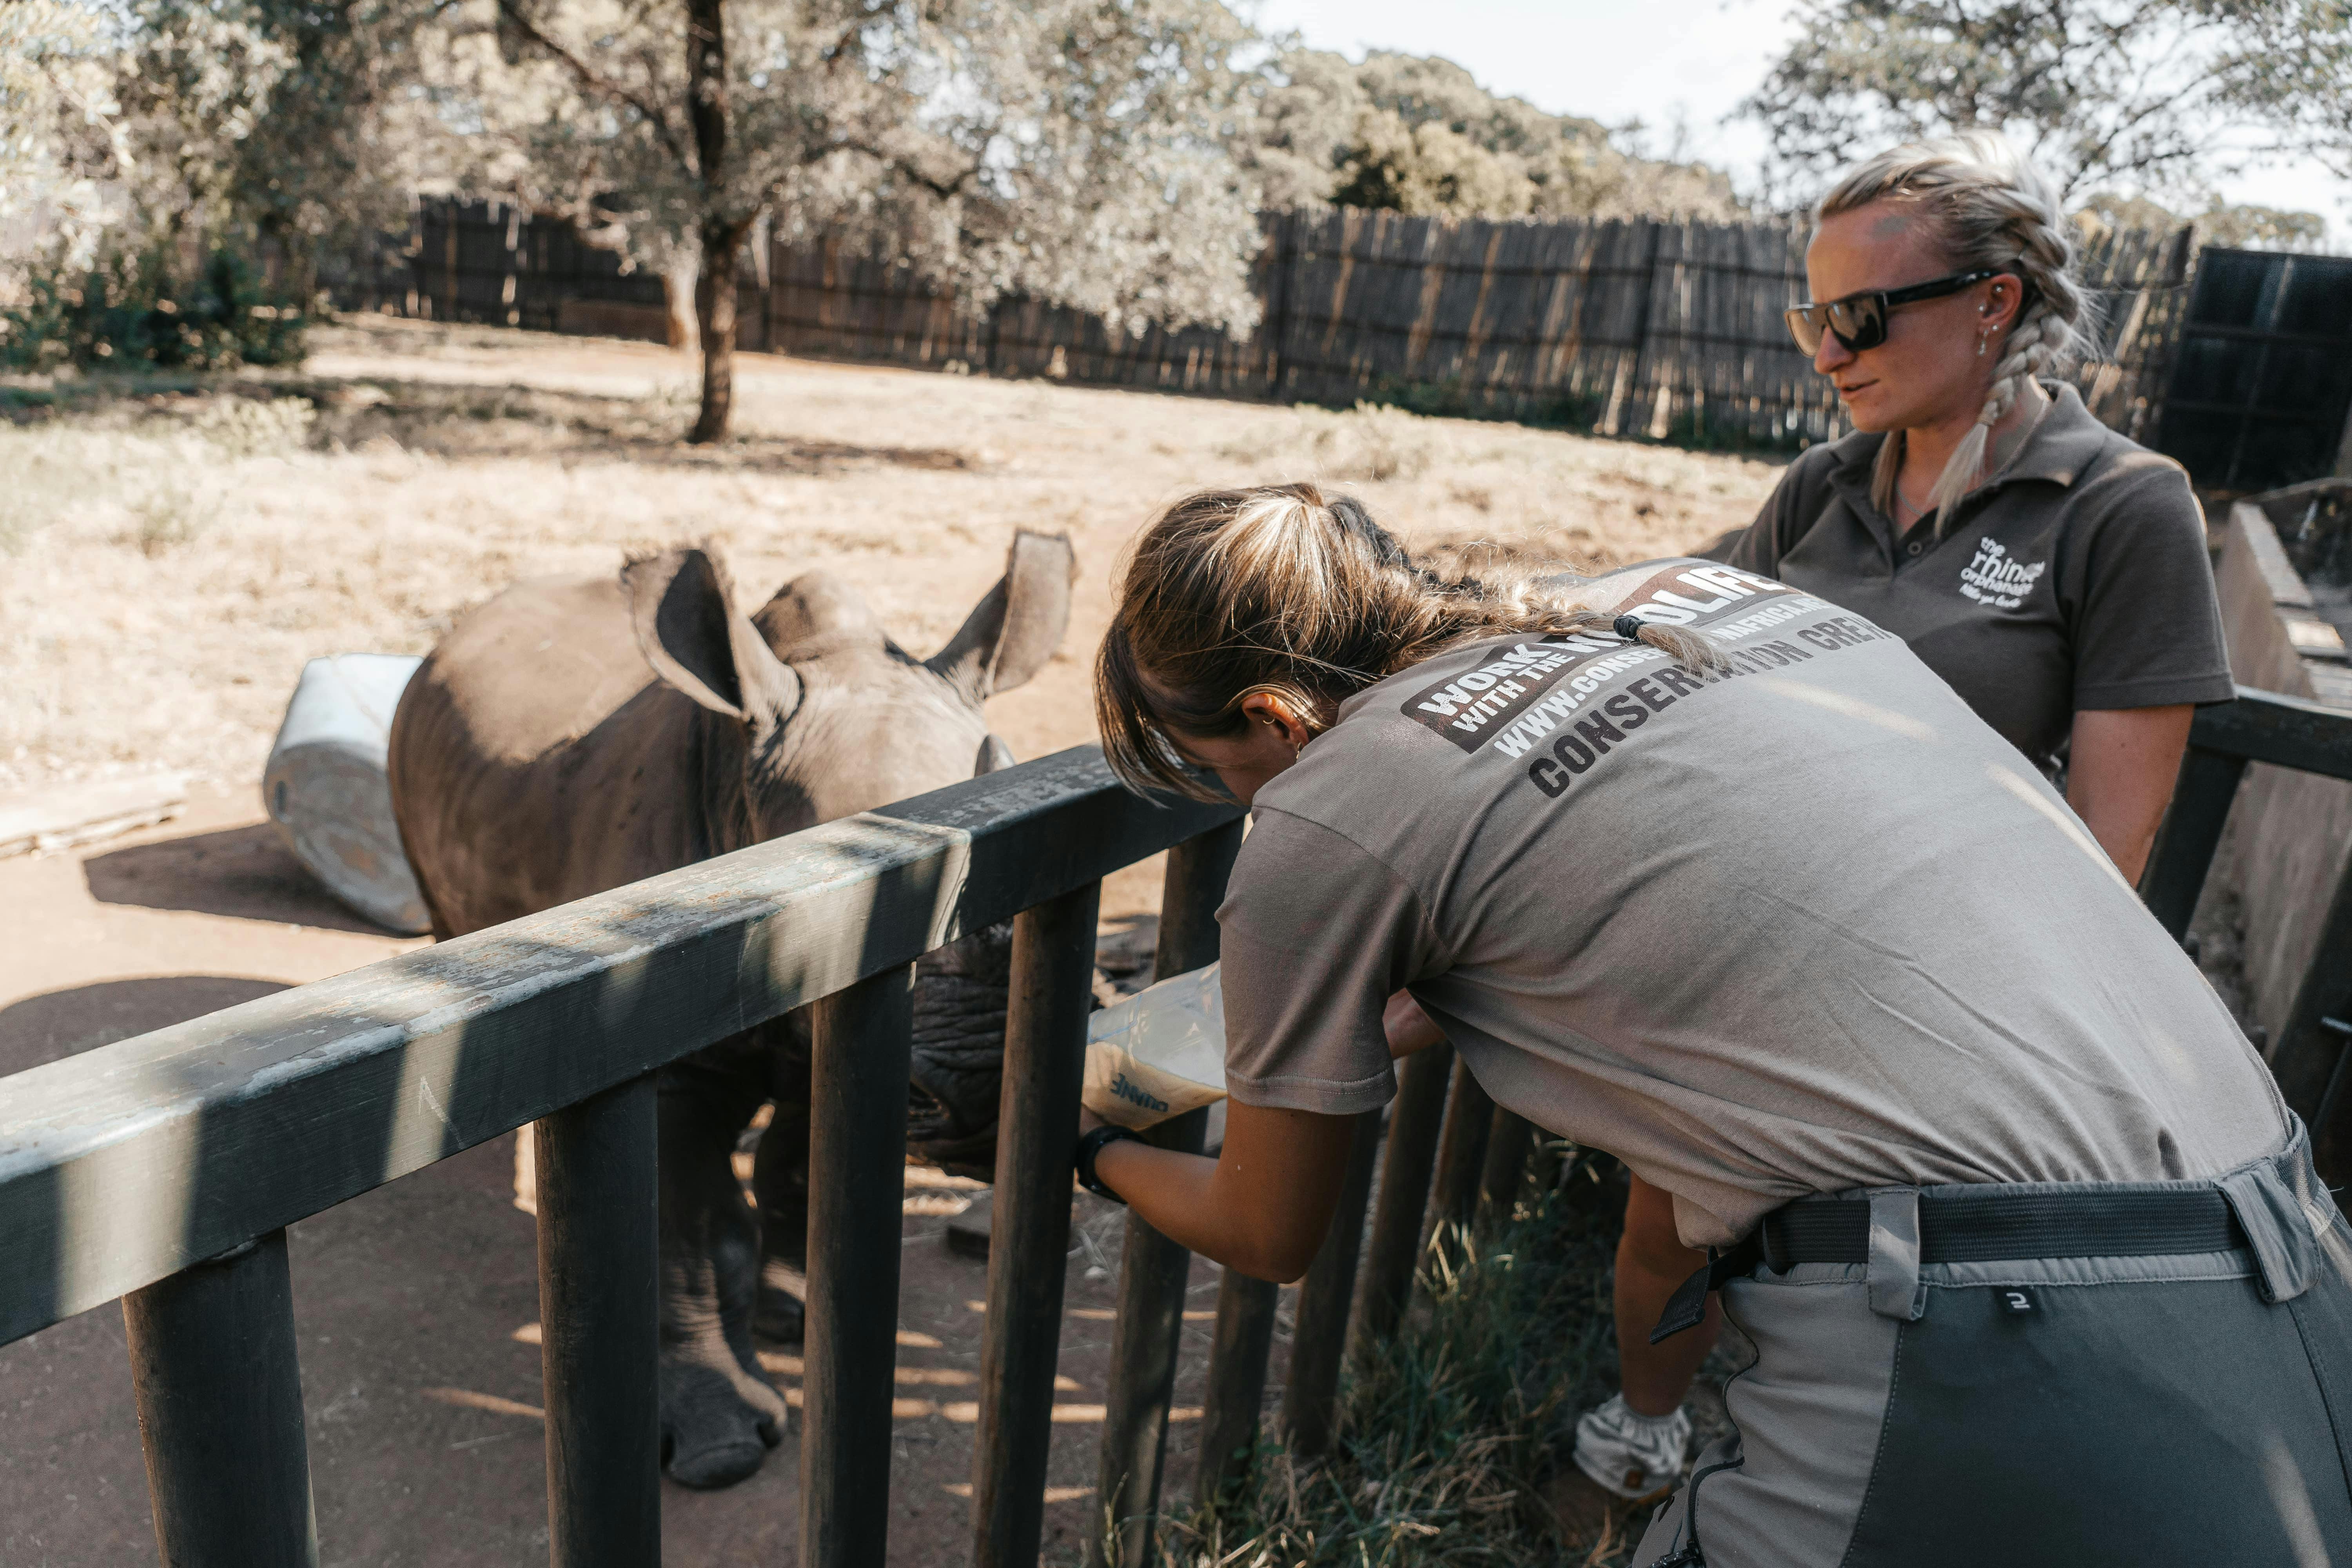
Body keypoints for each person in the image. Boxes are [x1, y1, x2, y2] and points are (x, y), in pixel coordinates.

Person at [1075, 481, 2350, 1567]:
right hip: (2295, 1254)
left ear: (1275, 720)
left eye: (1219, 776)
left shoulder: (1329, 806)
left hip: (2007, 1326)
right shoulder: (1695, 599)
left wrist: (1090, 1147)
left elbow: (1270, 1230)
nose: (1243, 803)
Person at [1576, 130, 2243, 1504]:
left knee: (1870, 1278)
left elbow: (2108, 851)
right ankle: (1650, 1426)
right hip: (1756, 939)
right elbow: (1673, 659)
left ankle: (1826, 1490)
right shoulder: (1820, 490)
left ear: (1994, 302)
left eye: (1864, 316)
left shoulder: (2121, 508)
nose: (1828, 352)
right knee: (1669, 1227)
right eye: (1811, 318)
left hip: (1951, 984)